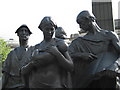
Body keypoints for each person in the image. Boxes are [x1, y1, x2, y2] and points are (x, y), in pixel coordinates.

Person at [68, 10, 120, 88]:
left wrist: (114, 65)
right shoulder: (78, 42)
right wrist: (81, 55)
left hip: (109, 78)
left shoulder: (109, 35)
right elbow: (67, 54)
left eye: (81, 23)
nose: (80, 26)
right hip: (90, 80)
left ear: (90, 20)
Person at [21, 16, 73, 88]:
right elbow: (23, 71)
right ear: (42, 29)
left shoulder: (60, 44)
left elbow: (70, 67)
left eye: (52, 29)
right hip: (36, 85)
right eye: (47, 29)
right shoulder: (35, 48)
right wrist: (32, 64)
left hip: (55, 85)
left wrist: (57, 54)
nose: (49, 32)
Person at [2, 24, 33, 89]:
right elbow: (5, 73)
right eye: (21, 31)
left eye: (26, 31)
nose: (24, 33)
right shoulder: (11, 54)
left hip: (27, 86)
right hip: (12, 86)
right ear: (18, 34)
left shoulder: (33, 51)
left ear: (29, 34)